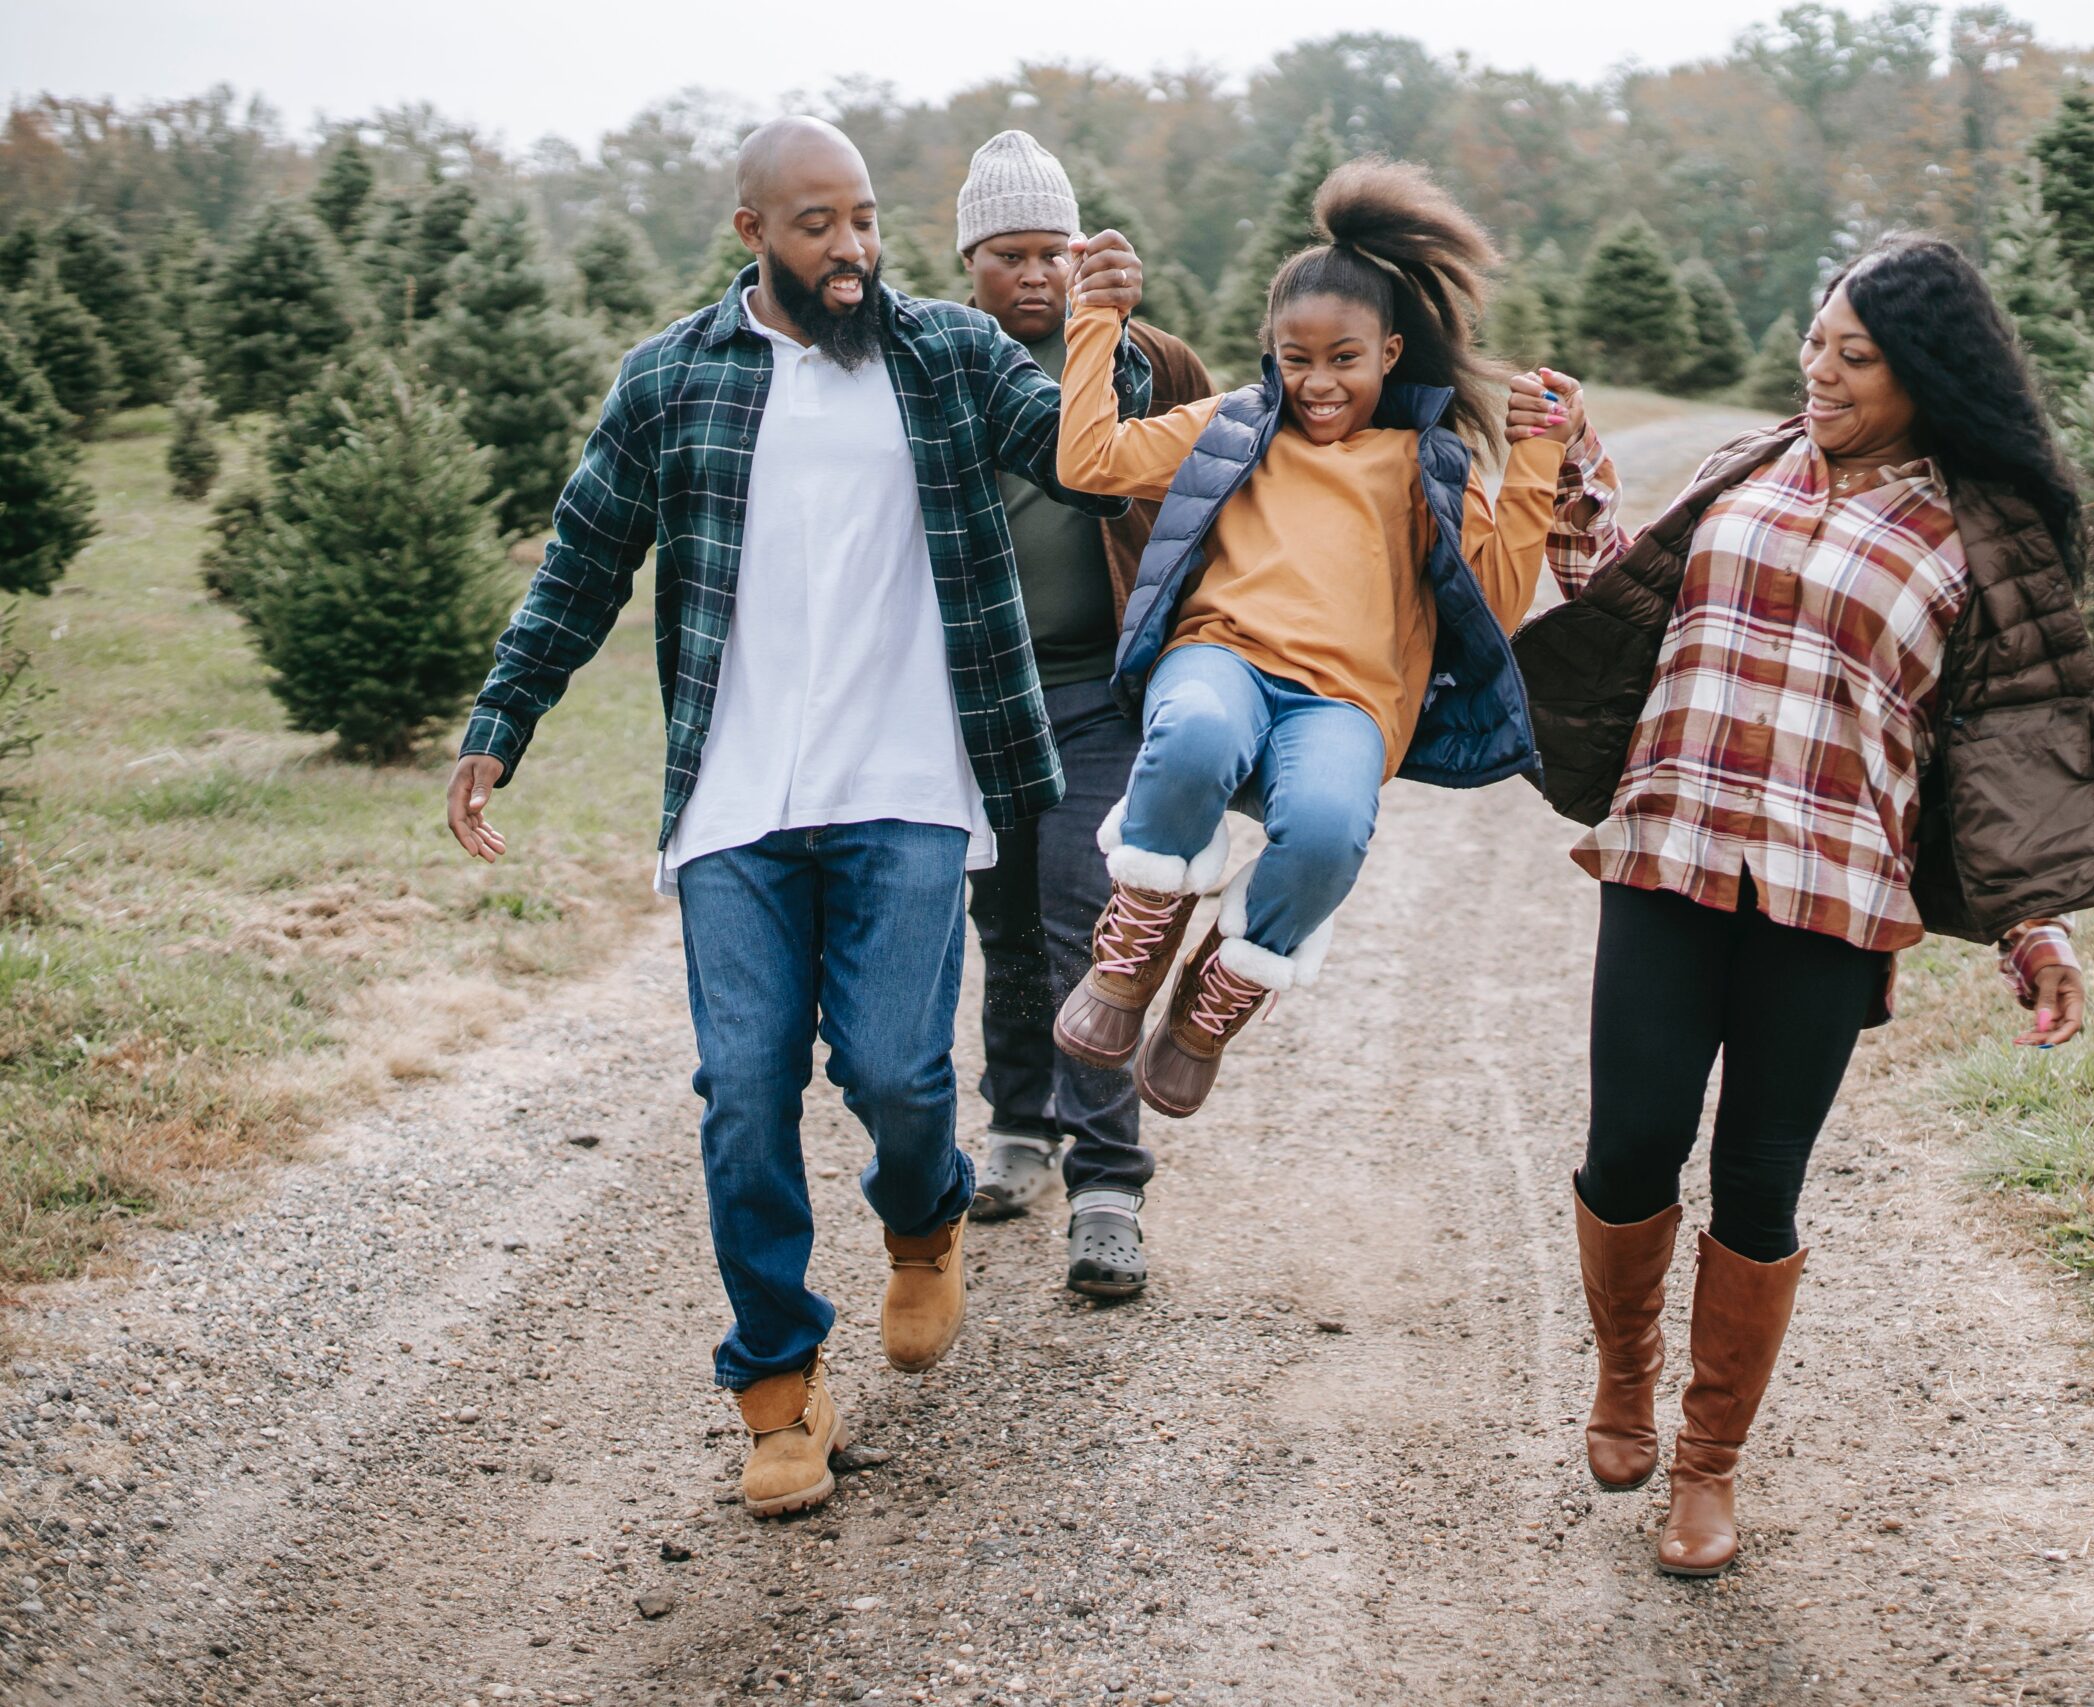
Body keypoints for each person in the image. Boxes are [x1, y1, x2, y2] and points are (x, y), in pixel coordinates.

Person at [441, 116, 1152, 1520]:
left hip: (903, 786)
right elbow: (584, 558)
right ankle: (776, 1386)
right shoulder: (671, 379)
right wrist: (499, 721)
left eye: (867, 219)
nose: (853, 248)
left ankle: (923, 1211)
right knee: (745, 1095)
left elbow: (1088, 458)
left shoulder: (943, 353)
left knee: (896, 1072)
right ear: (752, 230)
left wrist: (1103, 332)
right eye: (819, 223)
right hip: (737, 802)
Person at [1511, 231, 2094, 1578]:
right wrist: (1573, 495)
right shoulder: (1749, 463)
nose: (1821, 368)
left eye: (1855, 354)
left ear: (1925, 374)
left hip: (1832, 896)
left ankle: (1708, 1463)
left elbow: (2006, 744)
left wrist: (2035, 920)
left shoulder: (1981, 534)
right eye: (1815, 340)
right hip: (1671, 851)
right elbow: (1632, 599)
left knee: (1757, 1179)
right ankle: (1625, 1372)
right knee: (1629, 1146)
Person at [1047, 160, 1576, 1118]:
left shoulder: (1426, 462)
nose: (1319, 382)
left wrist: (1535, 457)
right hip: (1223, 660)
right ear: (1270, 351)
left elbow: (1495, 608)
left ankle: (1217, 994)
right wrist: (1096, 322)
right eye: (1297, 357)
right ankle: (1133, 947)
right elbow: (1088, 462)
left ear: (1390, 352)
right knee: (1198, 733)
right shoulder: (1231, 429)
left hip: (1346, 705)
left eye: (1346, 358)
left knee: (1332, 831)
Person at [946, 132, 1214, 1299]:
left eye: (1054, 251)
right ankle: (1017, 1125)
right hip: (975, 700)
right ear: (970, 262)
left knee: (1086, 924)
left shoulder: (1145, 358)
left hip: (1102, 697)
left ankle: (1107, 1186)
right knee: (1000, 921)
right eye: (1010, 255)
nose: (1037, 276)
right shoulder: (941, 363)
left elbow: (1227, 487)